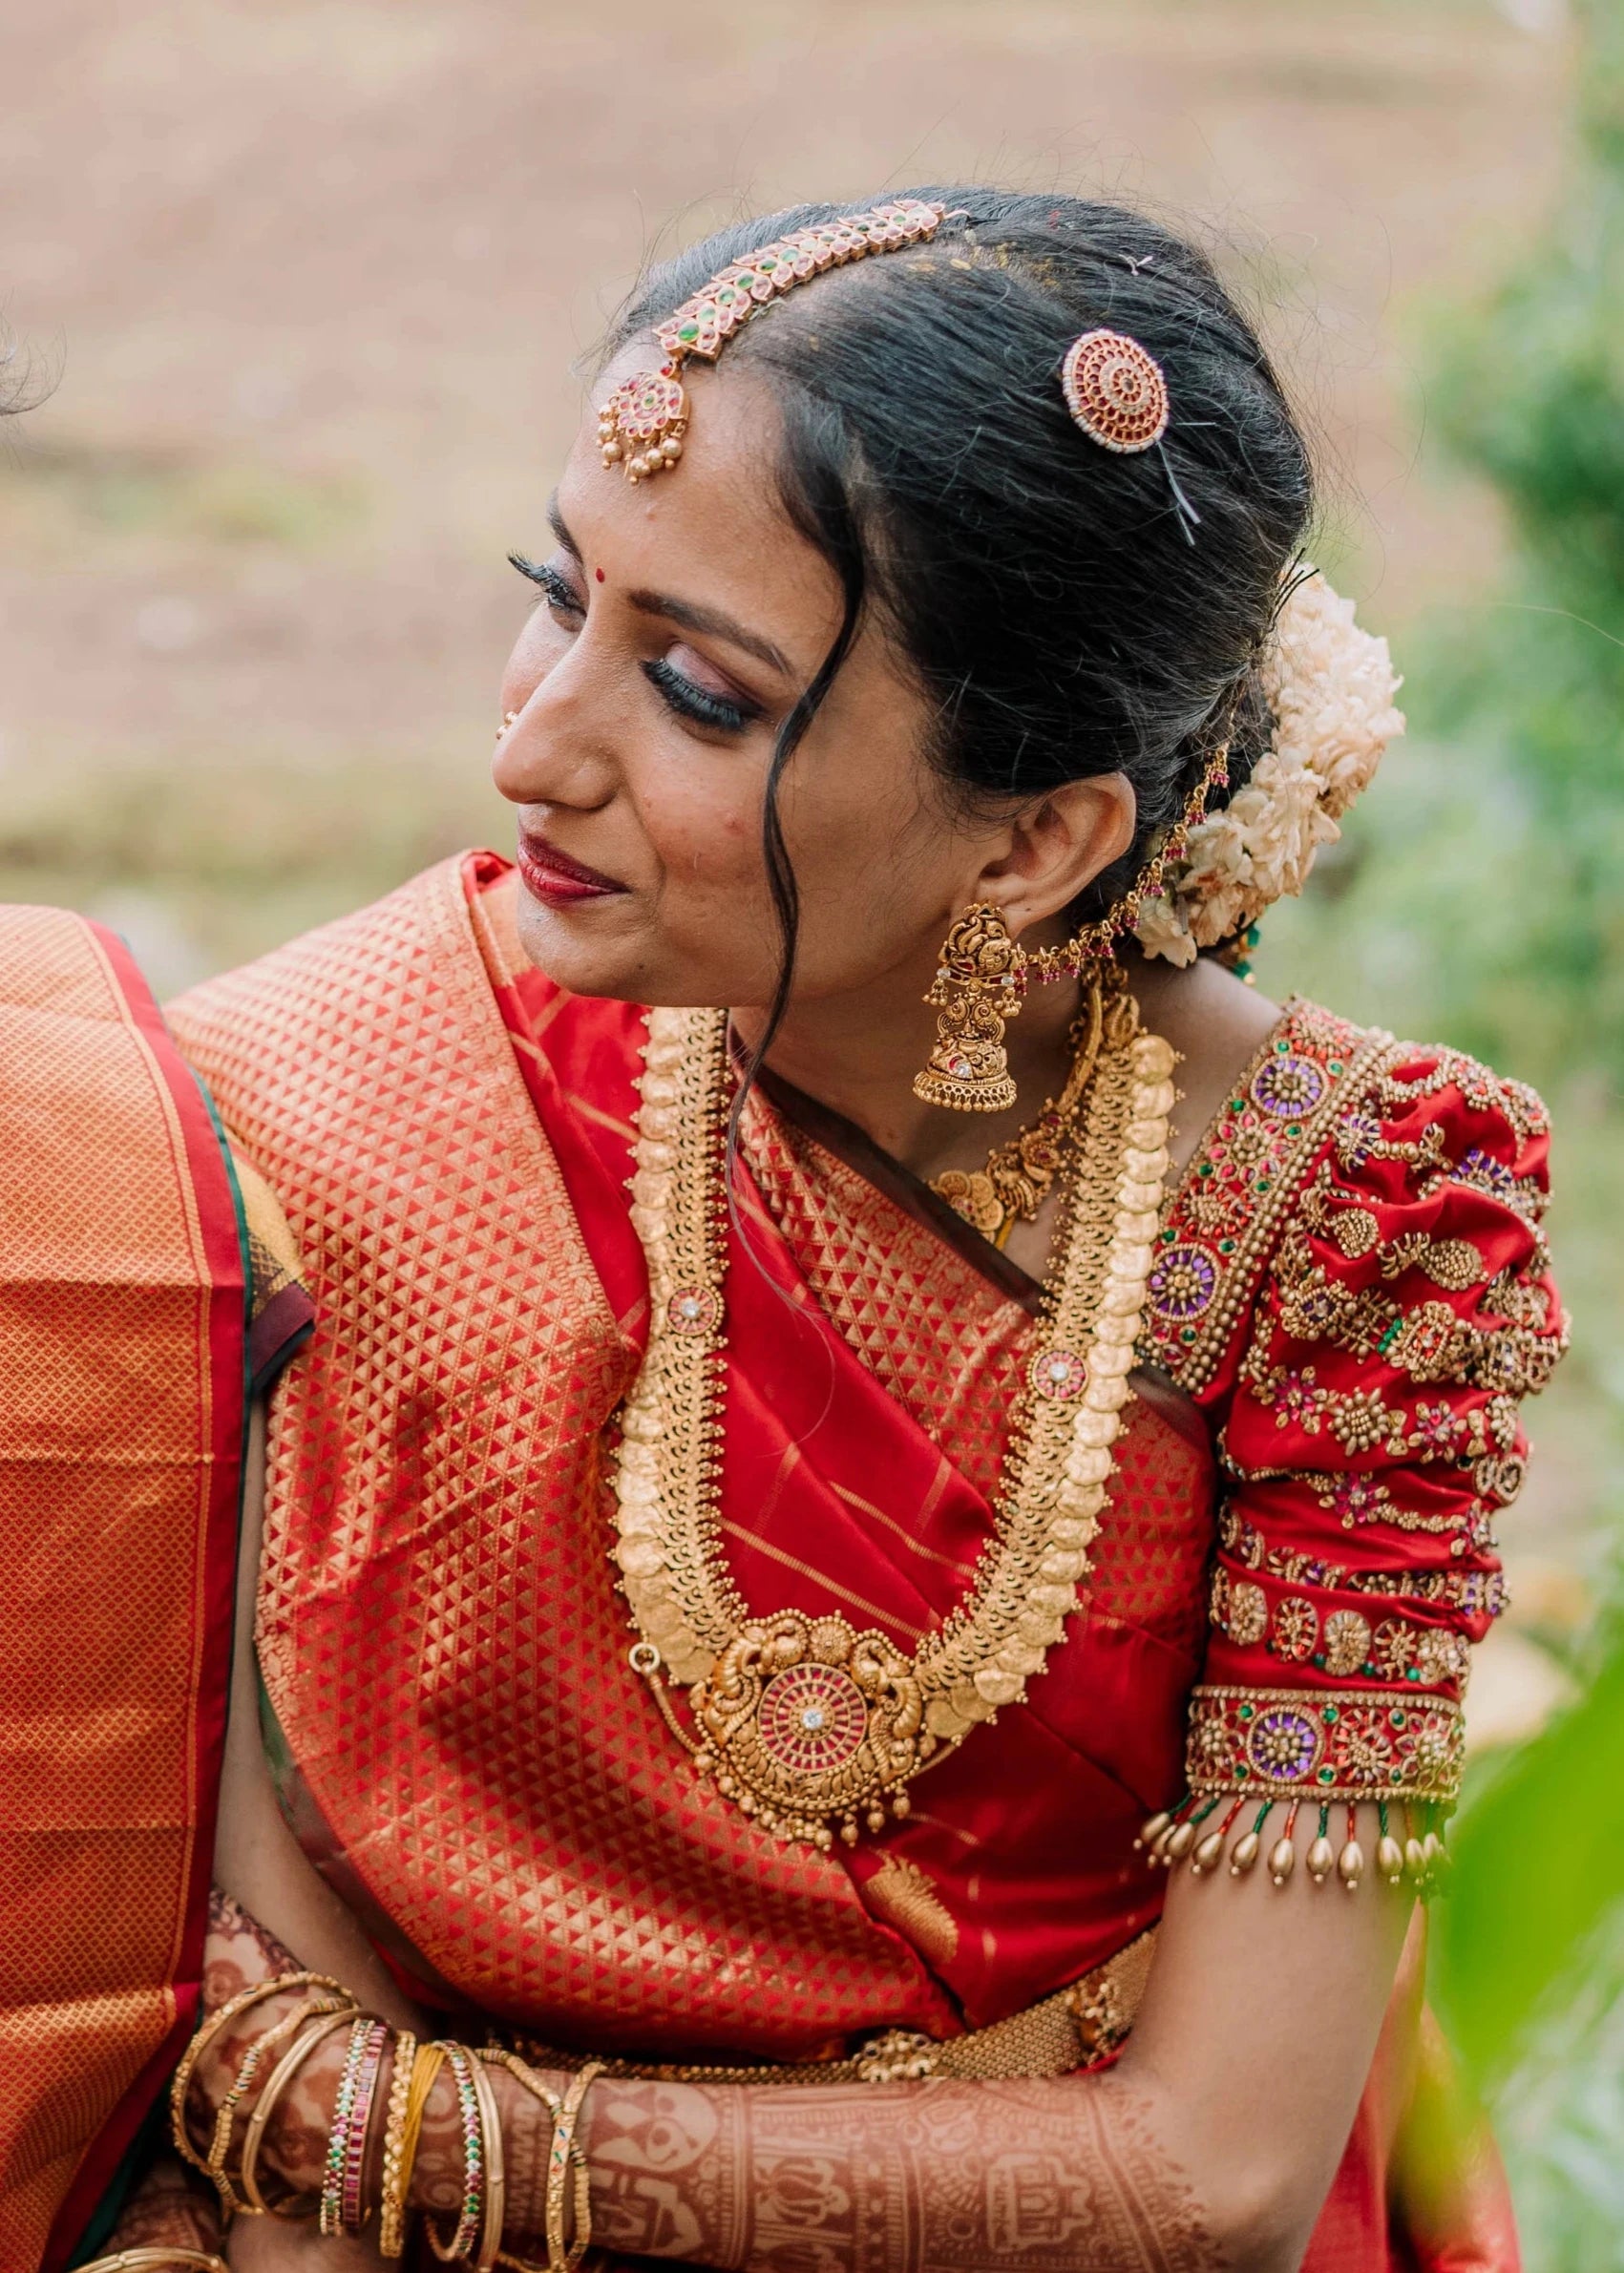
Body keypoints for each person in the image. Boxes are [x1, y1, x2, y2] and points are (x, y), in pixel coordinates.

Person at [1, 191, 1563, 2273]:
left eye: (697, 694)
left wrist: (414, 2132)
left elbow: (1217, 2172)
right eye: (554, 595)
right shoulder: (326, 1112)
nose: (530, 742)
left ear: (1035, 838)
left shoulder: (1354, 1236)